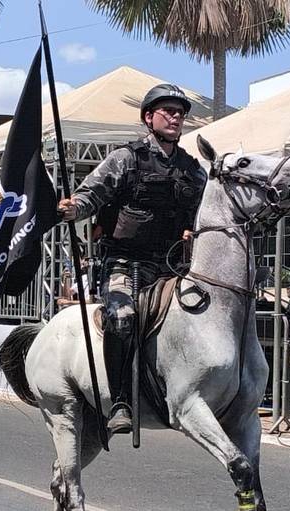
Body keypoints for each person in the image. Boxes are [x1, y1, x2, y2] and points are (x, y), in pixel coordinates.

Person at [58, 83, 207, 433]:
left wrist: (195, 231)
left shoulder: (192, 169)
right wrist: (73, 208)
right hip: (125, 264)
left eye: (180, 113)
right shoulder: (125, 159)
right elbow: (90, 194)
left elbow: (204, 211)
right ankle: (121, 400)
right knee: (123, 317)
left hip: (173, 267)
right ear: (148, 117)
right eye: (167, 111)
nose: (175, 117)